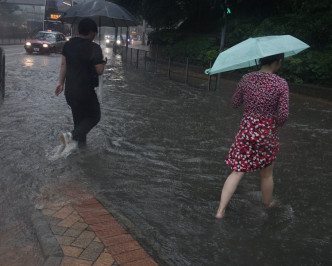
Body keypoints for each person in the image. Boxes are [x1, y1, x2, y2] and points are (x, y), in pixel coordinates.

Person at [215, 53, 289, 219]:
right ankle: (267, 204)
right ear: (277, 62)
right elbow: (283, 115)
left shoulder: (246, 78)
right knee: (267, 174)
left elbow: (235, 103)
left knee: (237, 172)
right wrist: (274, 124)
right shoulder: (281, 83)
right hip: (268, 133)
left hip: (247, 130)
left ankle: (220, 211)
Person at [55, 18, 106, 148]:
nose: (94, 35)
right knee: (95, 116)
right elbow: (99, 71)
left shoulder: (68, 44)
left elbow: (63, 64)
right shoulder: (94, 47)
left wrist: (60, 83)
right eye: (94, 32)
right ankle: (70, 136)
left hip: (70, 91)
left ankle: (80, 151)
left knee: (80, 122)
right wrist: (103, 62)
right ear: (90, 32)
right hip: (85, 91)